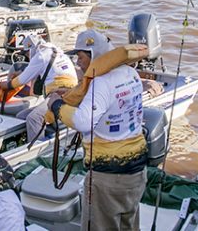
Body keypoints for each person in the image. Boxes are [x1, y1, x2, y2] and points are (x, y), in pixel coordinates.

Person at [47, 29, 147, 230]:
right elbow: (111, 104)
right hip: (136, 173)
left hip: (108, 177)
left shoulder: (101, 82)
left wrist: (57, 106)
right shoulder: (130, 73)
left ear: (94, 54)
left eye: (81, 57)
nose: (78, 63)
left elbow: (83, 122)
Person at [2, 33, 78, 141]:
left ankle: (36, 151)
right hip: (67, 92)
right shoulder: (56, 51)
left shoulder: (41, 55)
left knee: (34, 118)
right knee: (21, 116)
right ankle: (27, 141)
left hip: (61, 94)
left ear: (31, 49)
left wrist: (6, 85)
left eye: (27, 53)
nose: (28, 57)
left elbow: (22, 80)